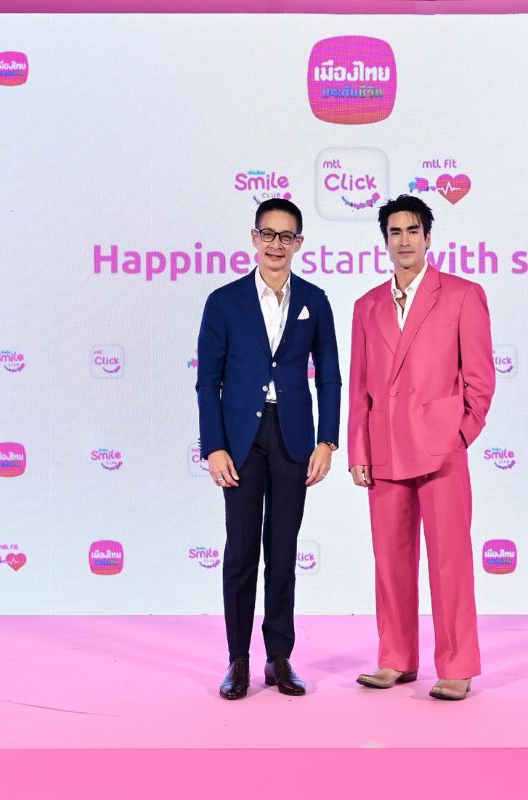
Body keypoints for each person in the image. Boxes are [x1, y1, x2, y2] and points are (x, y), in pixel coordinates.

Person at [348, 195, 494, 701]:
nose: (404, 240)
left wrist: (459, 435)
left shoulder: (462, 295)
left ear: (428, 238)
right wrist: (359, 451)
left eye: (413, 230)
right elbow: (360, 387)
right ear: (384, 241)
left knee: (450, 561)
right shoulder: (366, 306)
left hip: (440, 450)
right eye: (395, 232)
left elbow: (480, 379)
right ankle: (395, 658)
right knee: (389, 561)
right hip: (385, 449)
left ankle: (457, 665)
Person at [196, 198, 341, 700]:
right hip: (241, 442)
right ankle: (237, 659)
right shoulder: (224, 301)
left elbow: (329, 376)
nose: (277, 245)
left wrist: (327, 439)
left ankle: (279, 657)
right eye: (269, 234)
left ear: (299, 243)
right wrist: (214, 446)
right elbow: (208, 381)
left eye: (287, 236)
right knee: (241, 551)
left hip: (293, 438)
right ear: (254, 238)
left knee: (283, 551)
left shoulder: (315, 300)